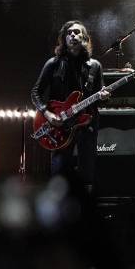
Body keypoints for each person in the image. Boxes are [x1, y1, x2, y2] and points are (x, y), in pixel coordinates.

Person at [30, 20, 108, 190]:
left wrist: (104, 96)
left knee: (87, 173)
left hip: (86, 124)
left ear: (85, 38)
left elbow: (102, 97)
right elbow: (35, 93)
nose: (72, 35)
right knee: (59, 173)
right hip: (60, 125)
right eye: (69, 33)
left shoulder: (94, 66)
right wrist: (47, 113)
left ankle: (86, 210)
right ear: (64, 39)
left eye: (77, 32)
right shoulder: (54, 64)